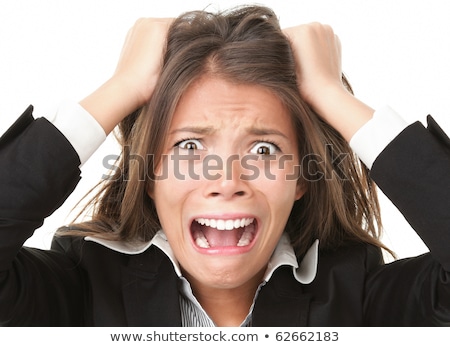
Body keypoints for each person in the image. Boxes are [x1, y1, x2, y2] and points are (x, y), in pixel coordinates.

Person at [0, 5, 449, 327]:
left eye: (265, 151)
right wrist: (123, 87)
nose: (227, 181)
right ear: (149, 175)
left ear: (301, 179)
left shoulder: (362, 296)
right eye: (190, 147)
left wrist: (331, 95)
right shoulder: (82, 285)